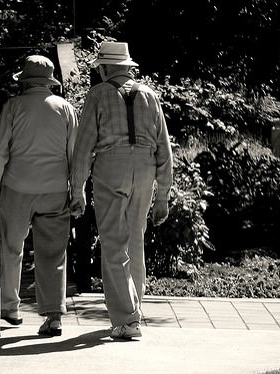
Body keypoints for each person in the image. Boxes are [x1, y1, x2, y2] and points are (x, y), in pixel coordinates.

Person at [70, 41, 173, 339]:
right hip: (144, 168)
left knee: (114, 243)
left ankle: (127, 319)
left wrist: (77, 189)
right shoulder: (150, 95)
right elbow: (164, 147)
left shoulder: (98, 94)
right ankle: (133, 312)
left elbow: (84, 146)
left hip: (110, 168)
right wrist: (163, 193)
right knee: (134, 241)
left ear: (103, 68)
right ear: (128, 67)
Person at [0, 55, 79, 336]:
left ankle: (9, 307)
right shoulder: (65, 108)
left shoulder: (13, 106)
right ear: (49, 82)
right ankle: (53, 316)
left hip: (18, 188)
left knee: (11, 247)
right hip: (55, 190)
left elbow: (0, 150)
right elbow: (75, 155)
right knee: (53, 254)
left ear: (24, 81)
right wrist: (78, 191)